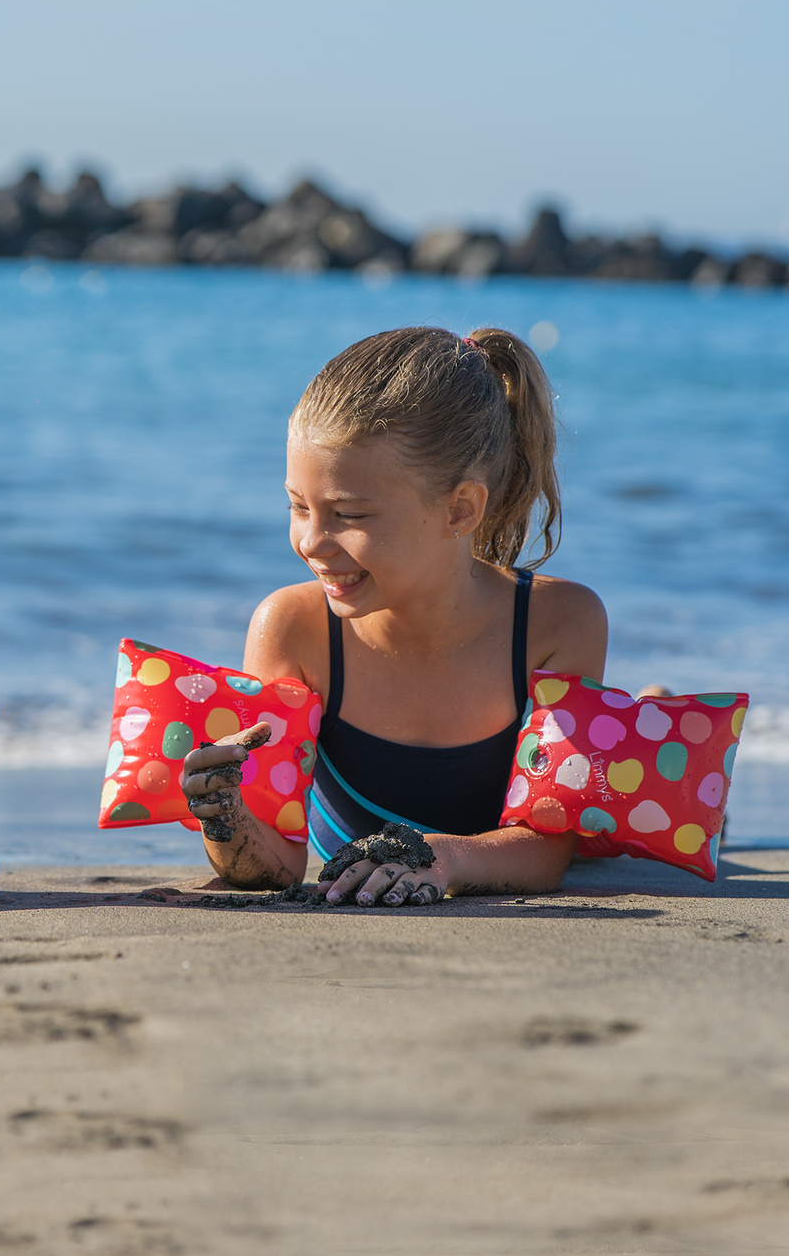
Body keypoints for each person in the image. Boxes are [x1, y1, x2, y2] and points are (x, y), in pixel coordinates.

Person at [181, 326, 607, 905]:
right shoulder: (293, 629)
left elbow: (547, 848)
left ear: (460, 508)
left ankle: (643, 717)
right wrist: (223, 817)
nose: (311, 541)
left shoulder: (556, 624)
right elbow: (278, 865)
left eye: (348, 514)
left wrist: (445, 856)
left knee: (610, 817)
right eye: (298, 506)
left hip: (486, 856)